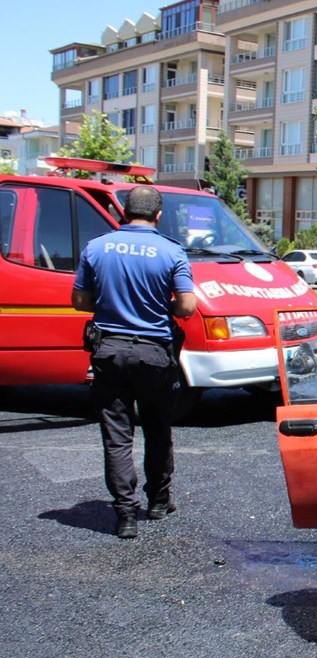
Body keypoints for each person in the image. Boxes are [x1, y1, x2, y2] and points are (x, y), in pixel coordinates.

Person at [71, 186, 197, 540]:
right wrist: (161, 306)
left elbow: (79, 300)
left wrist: (111, 302)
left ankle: (124, 514)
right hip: (154, 354)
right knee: (157, 428)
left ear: (124, 212)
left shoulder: (97, 247)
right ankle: (157, 501)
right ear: (158, 215)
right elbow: (187, 306)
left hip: (109, 352)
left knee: (117, 435)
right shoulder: (172, 252)